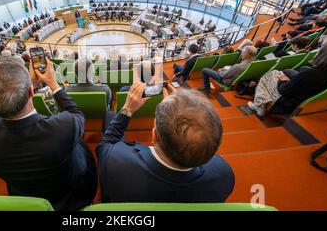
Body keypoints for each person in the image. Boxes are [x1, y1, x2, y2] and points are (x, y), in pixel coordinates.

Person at [0, 56, 97, 210]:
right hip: (72, 196)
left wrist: (27, 85)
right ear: (31, 91)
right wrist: (53, 84)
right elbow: (76, 113)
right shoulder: (63, 128)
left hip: (24, 197)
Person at [97, 83, 234, 203]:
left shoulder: (114, 164)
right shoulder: (224, 175)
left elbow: (106, 142)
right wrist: (181, 107)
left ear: (154, 136)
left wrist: (128, 109)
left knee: (110, 116)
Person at [248, 41, 327, 117]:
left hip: (287, 102)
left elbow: (284, 91)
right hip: (306, 101)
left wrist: (282, 80)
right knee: (282, 73)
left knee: (271, 74)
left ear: (323, 55)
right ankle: (262, 104)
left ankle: (259, 105)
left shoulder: (308, 74)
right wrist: (291, 81)